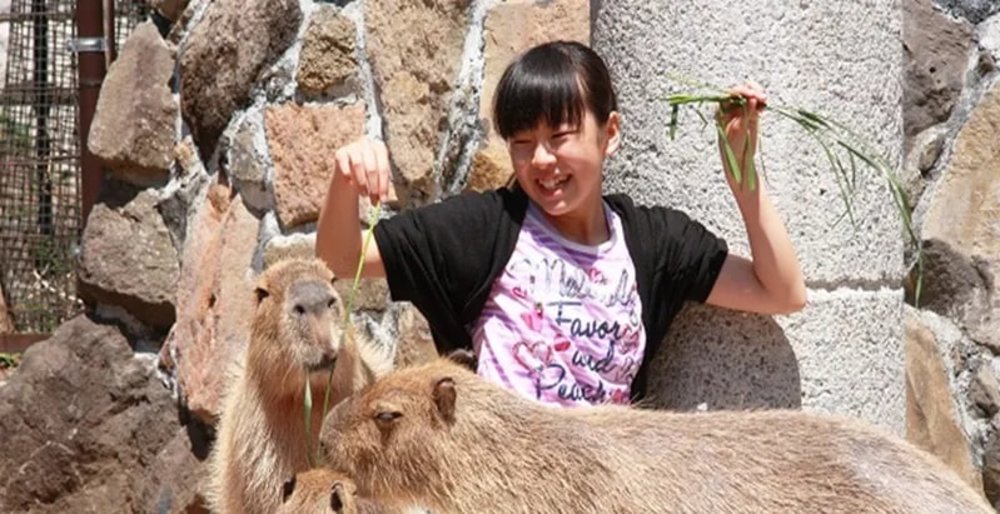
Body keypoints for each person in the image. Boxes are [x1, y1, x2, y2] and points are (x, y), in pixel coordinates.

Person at [316, 40, 805, 407]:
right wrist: (345, 177)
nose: (542, 160)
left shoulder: (654, 244)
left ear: (608, 133)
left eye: (561, 135)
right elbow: (339, 259)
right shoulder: (485, 228)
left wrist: (744, 176)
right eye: (522, 142)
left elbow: (780, 291)